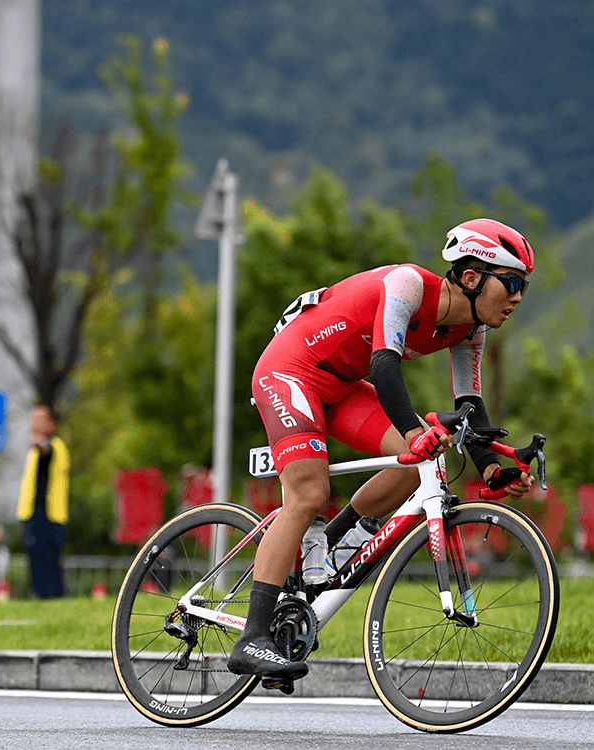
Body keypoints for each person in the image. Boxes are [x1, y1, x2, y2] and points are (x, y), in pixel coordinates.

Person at [227, 219, 537, 682]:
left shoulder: (471, 331)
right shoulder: (408, 285)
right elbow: (384, 365)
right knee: (310, 491)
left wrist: (492, 467)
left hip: (341, 386)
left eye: (523, 288)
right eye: (511, 283)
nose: (516, 296)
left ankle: (328, 547)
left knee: (422, 462)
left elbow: (470, 407)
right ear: (471, 278)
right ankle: (252, 636)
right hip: (290, 370)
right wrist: (415, 430)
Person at [16, 405, 69, 598]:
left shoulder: (55, 446)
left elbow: (47, 449)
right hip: (32, 514)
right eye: (33, 419)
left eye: (40, 419)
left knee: (49, 564)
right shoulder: (33, 452)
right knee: (37, 564)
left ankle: (53, 599)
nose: (34, 423)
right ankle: (44, 599)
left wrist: (39, 442)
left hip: (50, 516)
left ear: (52, 424)